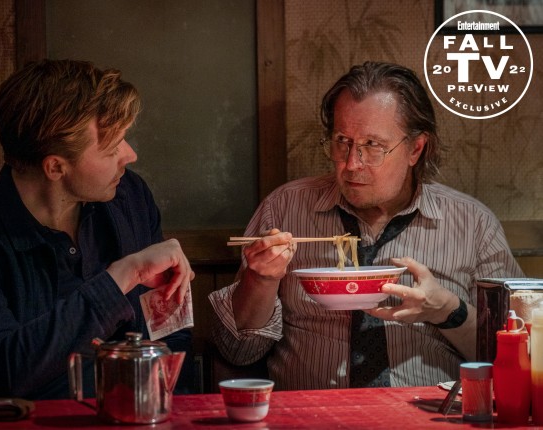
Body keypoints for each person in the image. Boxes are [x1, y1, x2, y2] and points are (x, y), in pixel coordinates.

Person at [209, 61, 524, 390]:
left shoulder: (473, 224)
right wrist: (260, 280)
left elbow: (516, 354)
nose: (351, 163)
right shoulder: (284, 208)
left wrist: (447, 310)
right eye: (342, 141)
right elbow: (238, 352)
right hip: (309, 413)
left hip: (430, 412)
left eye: (373, 146)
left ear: (416, 149)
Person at [0, 59, 196, 399]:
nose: (129, 155)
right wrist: (122, 275)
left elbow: (168, 331)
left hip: (134, 413)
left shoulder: (129, 196)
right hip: (21, 420)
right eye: (112, 148)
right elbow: (0, 373)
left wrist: (170, 404)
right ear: (55, 167)